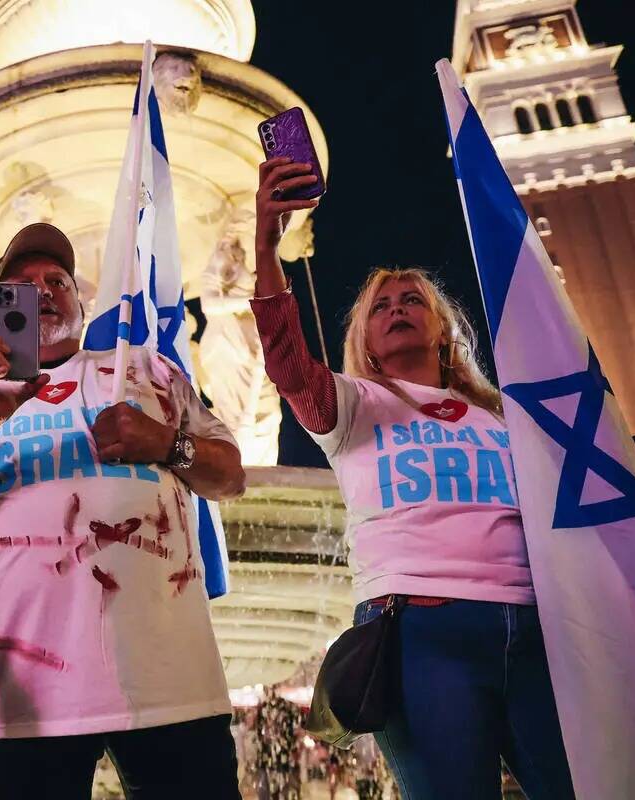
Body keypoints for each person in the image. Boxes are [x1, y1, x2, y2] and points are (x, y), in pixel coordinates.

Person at [250, 157, 574, 799]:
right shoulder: (351, 408)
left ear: (444, 330)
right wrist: (266, 244)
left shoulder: (502, 419)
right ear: (366, 340)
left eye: (412, 300)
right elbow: (287, 362)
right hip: (422, 635)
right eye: (381, 306)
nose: (397, 308)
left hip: (536, 633)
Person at [0, 223, 247, 799]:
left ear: (82, 302)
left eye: (56, 280)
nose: (41, 289)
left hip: (171, 684)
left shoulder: (146, 372)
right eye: (21, 284)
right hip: (27, 698)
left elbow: (231, 477)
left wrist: (168, 444)